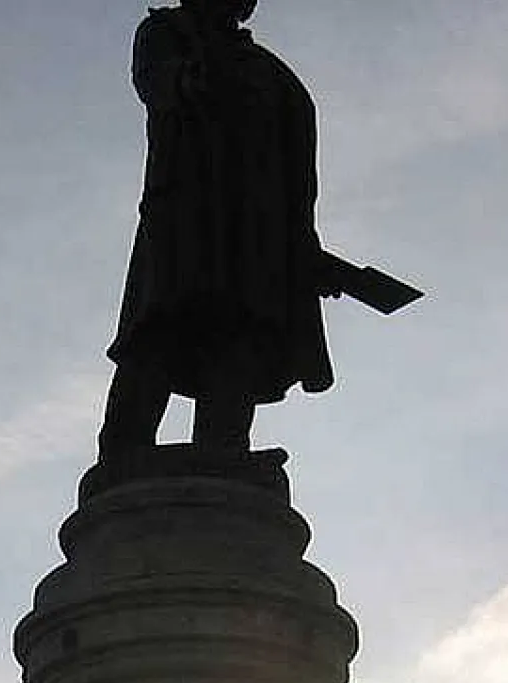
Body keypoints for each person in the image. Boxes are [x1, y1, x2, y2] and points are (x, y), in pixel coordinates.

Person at [99, 0, 340, 462]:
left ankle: (224, 454)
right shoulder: (166, 33)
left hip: (255, 240)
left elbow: (299, 180)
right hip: (184, 223)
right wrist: (207, 53)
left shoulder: (275, 78)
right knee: (157, 336)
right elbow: (173, 89)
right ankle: (122, 457)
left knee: (238, 340)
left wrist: (306, 251)